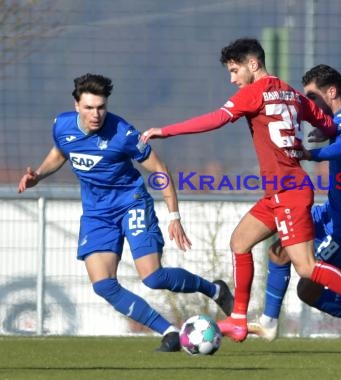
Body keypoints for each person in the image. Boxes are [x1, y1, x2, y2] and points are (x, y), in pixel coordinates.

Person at [141, 38, 341, 357]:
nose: (233, 79)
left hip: (289, 191)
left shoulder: (253, 93)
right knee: (240, 242)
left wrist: (167, 131)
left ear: (253, 64)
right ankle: (238, 319)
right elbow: (328, 124)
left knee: (306, 268)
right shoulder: (293, 94)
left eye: (234, 71)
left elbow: (217, 119)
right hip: (279, 190)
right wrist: (310, 139)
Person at [18, 73, 234, 352]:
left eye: (101, 107)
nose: (96, 114)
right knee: (104, 285)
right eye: (89, 108)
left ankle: (214, 289)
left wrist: (174, 216)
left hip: (131, 203)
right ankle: (169, 332)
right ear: (76, 106)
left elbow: (160, 169)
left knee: (153, 277)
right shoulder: (61, 125)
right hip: (97, 214)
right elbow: (60, 153)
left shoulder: (123, 133)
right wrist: (38, 175)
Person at [247, 64, 341, 354]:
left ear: (331, 92)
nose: (309, 105)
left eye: (312, 97)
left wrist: (310, 153)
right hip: (332, 210)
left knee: (308, 284)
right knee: (278, 252)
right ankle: (269, 322)